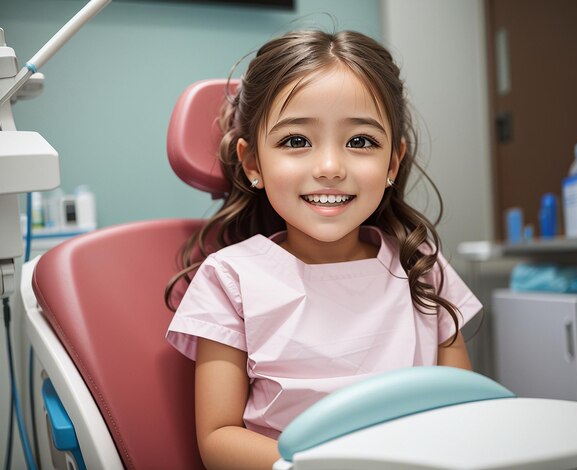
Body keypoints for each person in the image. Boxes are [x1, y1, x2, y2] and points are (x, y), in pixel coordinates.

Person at [165, 29, 482, 470]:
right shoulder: (230, 280)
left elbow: (463, 411)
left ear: (392, 162)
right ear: (253, 162)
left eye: (360, 142)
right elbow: (219, 441)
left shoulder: (420, 265)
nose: (330, 168)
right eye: (296, 141)